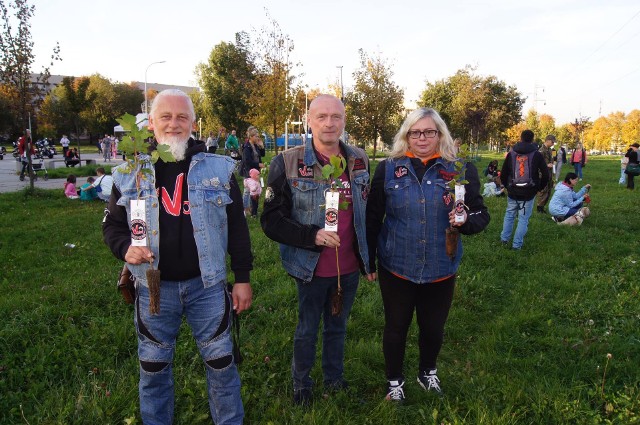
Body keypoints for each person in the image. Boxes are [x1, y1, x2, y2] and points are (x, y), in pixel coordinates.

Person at [103, 89, 253, 424]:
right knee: (154, 369)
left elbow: (237, 230)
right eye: (166, 117)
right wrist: (125, 248)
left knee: (221, 364)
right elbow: (113, 226)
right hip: (154, 289)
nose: (174, 124)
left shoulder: (219, 169)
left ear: (194, 123)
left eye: (182, 117)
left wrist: (242, 278)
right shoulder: (130, 173)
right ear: (152, 124)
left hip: (208, 286)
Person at [366, 108, 489, 402]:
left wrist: (466, 222)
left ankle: (427, 372)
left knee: (433, 328)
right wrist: (367, 259)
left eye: (429, 132)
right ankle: (395, 381)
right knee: (396, 327)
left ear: (440, 134)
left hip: (440, 265)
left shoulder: (459, 170)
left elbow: (481, 213)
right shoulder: (388, 168)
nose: (422, 138)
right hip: (397, 265)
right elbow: (373, 217)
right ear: (406, 135)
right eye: (415, 132)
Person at [261, 94, 371, 406]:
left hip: (347, 267)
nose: (329, 123)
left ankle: (334, 379)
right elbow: (270, 220)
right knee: (307, 329)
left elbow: (368, 212)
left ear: (344, 121)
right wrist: (313, 235)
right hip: (310, 267)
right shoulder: (287, 162)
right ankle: (302, 385)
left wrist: (368, 258)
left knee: (338, 327)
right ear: (309, 121)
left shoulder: (359, 160)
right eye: (321, 116)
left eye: (336, 117)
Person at [499, 129, 549, 250]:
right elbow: (546, 174)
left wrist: (507, 186)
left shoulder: (511, 153)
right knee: (523, 218)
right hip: (529, 192)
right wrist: (539, 188)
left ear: (520, 138)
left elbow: (504, 172)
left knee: (509, 215)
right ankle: (517, 245)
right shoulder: (537, 154)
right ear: (532, 139)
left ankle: (504, 240)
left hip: (513, 190)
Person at [536, 135, 555, 213]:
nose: (553, 143)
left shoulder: (550, 150)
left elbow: (554, 158)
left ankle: (542, 207)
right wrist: (547, 165)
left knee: (548, 191)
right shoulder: (541, 150)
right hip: (542, 174)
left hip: (549, 173)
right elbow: (537, 163)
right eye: (552, 142)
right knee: (543, 191)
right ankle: (539, 208)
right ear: (547, 140)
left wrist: (553, 163)